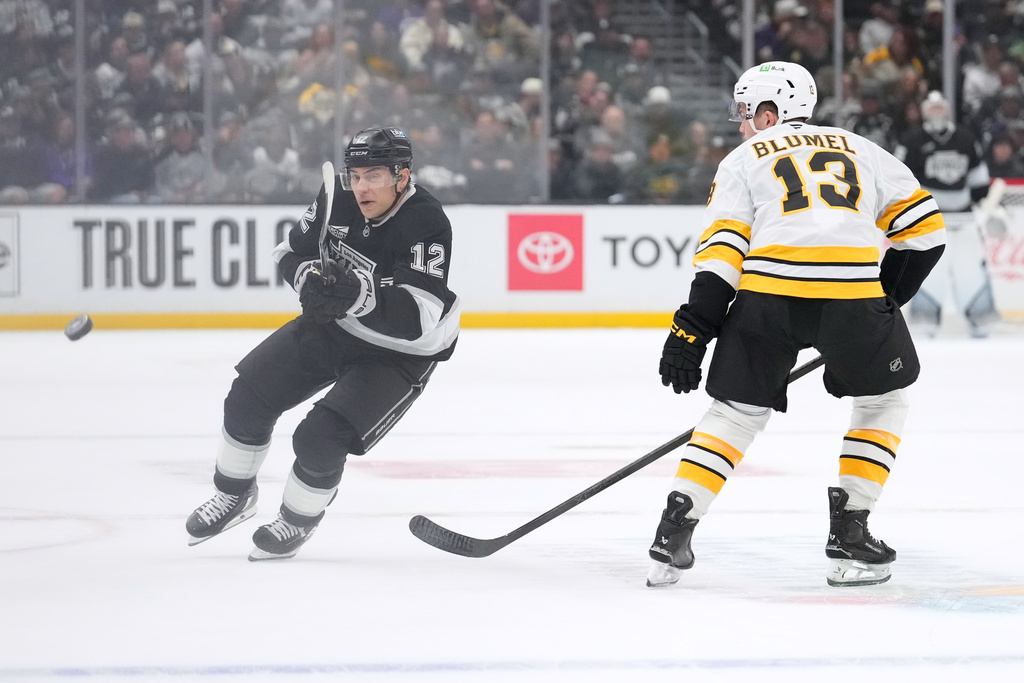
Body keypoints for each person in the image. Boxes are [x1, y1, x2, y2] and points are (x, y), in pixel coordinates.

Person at [646, 62, 946, 589]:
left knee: (735, 414)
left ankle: (674, 531)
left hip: (768, 297)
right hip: (852, 296)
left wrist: (691, 332)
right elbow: (926, 233)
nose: (740, 126)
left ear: (769, 114)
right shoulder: (863, 149)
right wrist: (883, 303)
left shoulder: (743, 159)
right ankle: (850, 531)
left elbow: (722, 256)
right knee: (883, 400)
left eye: (745, 114)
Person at [186, 127, 461, 560]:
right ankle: (234, 495)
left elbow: (416, 318)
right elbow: (289, 253)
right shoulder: (338, 197)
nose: (361, 187)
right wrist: (308, 278)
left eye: (374, 176)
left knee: (319, 438)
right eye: (355, 175)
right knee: (247, 396)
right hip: (335, 326)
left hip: (400, 353)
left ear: (402, 176)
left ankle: (297, 522)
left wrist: (356, 295)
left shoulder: (425, 220)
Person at [895, 91, 1001, 337]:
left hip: (964, 222)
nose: (937, 114)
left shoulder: (965, 138)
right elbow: (899, 180)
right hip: (929, 222)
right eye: (932, 109)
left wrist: (985, 205)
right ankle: (925, 322)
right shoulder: (911, 141)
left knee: (971, 270)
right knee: (929, 273)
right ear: (923, 112)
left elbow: (978, 183)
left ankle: (980, 320)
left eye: (940, 108)